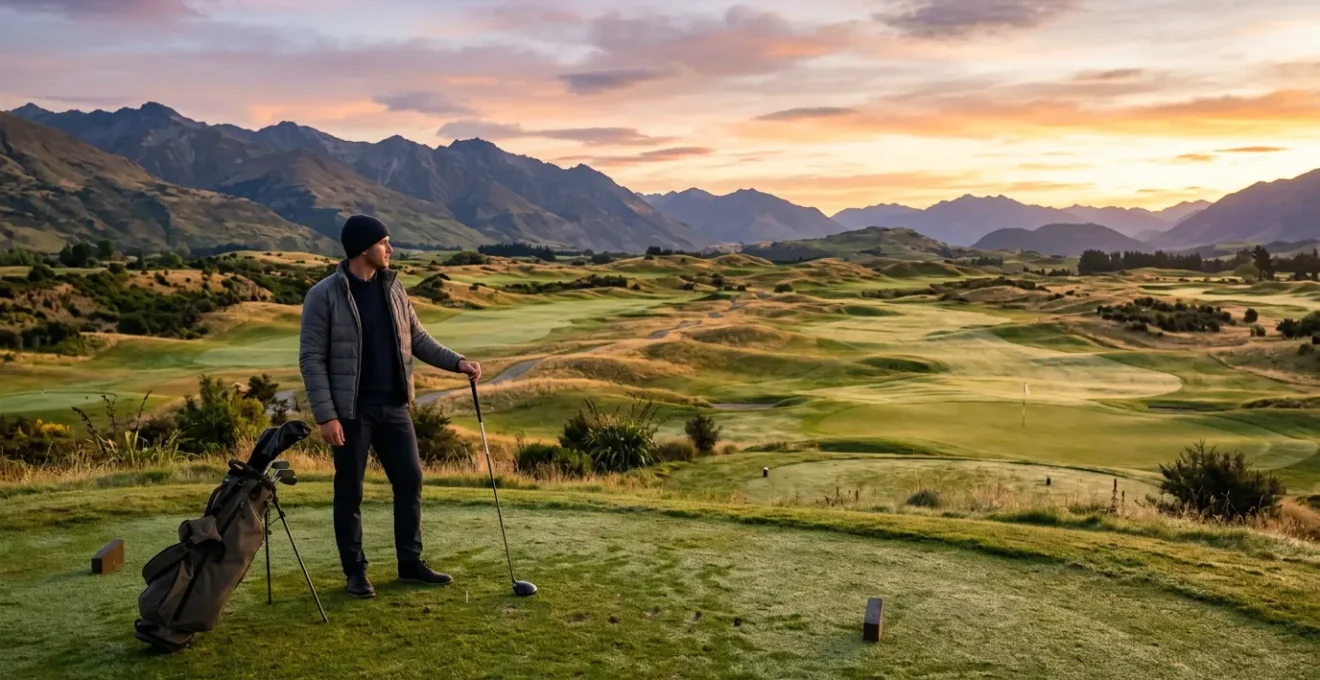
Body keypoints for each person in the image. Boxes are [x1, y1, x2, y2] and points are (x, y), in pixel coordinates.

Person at [298, 214, 481, 598]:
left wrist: (458, 361)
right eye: (384, 242)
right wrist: (327, 416)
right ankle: (355, 571)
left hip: (394, 406)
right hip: (350, 412)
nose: (390, 249)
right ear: (365, 248)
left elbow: (418, 337)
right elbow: (311, 360)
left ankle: (410, 564)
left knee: (410, 480)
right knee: (350, 491)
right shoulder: (324, 295)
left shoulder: (394, 288)